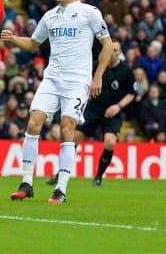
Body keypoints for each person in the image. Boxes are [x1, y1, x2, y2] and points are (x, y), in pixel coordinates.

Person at [1, 0, 113, 204]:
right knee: (33, 122)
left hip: (77, 81)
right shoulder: (50, 16)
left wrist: (98, 76)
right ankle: (26, 183)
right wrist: (13, 39)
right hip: (52, 78)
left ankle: (60, 189)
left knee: (66, 127)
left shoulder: (89, 13)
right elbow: (33, 43)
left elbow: (108, 45)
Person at [46, 41, 135, 187]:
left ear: (119, 53)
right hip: (93, 109)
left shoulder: (126, 71)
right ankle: (60, 173)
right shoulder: (97, 66)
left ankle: (98, 177)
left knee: (110, 142)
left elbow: (131, 94)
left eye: (115, 50)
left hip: (112, 112)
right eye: (110, 50)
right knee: (73, 139)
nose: (112, 53)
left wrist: (118, 106)